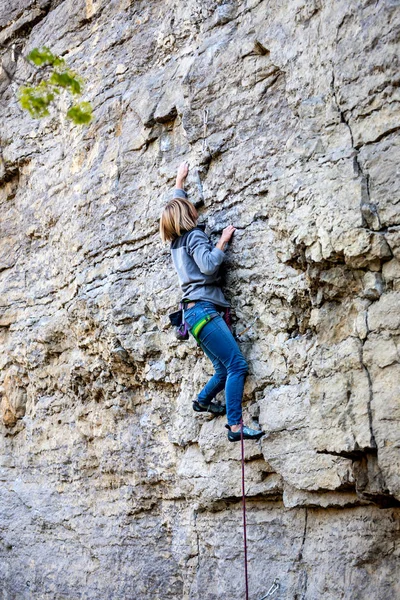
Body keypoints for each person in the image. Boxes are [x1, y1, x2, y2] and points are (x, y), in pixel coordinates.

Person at [159, 161, 264, 442]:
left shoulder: (176, 242)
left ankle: (203, 400)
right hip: (204, 310)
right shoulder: (194, 236)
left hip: (193, 315)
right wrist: (223, 241)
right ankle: (234, 427)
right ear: (187, 214)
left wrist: (179, 181)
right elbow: (208, 266)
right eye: (189, 204)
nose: (193, 206)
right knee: (237, 366)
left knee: (221, 368)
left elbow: (175, 204)